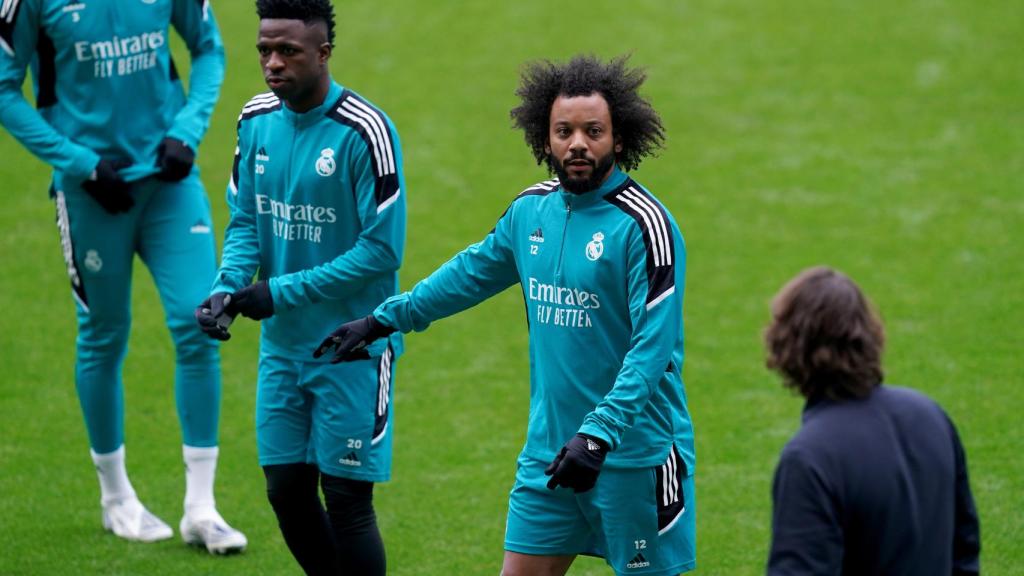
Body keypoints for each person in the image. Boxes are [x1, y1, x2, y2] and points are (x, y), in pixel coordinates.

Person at [316, 54, 696, 576]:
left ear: (620, 138)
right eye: (563, 131)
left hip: (633, 458)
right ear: (544, 140)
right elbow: (467, 275)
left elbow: (652, 351)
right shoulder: (529, 212)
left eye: (593, 131)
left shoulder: (645, 226)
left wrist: (599, 433)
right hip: (551, 453)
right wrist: (384, 319)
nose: (577, 144)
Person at [0, 0, 246, 553]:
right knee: (104, 335)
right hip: (92, 194)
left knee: (200, 321)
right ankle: (116, 498)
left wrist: (187, 129)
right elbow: (2, 87)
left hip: (168, 182)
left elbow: (209, 48)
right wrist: (77, 163)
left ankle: (202, 508)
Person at [194, 0, 405, 573]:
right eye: (264, 49)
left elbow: (381, 250)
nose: (273, 63)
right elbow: (246, 222)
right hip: (283, 351)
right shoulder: (255, 119)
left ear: (323, 53)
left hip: (352, 349)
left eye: (288, 50)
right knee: (285, 491)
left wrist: (279, 292)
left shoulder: (366, 132)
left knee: (346, 502)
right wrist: (227, 287)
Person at [763, 266, 981, 575]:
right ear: (868, 333)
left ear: (788, 347)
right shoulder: (931, 417)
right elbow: (965, 553)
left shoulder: (809, 457)